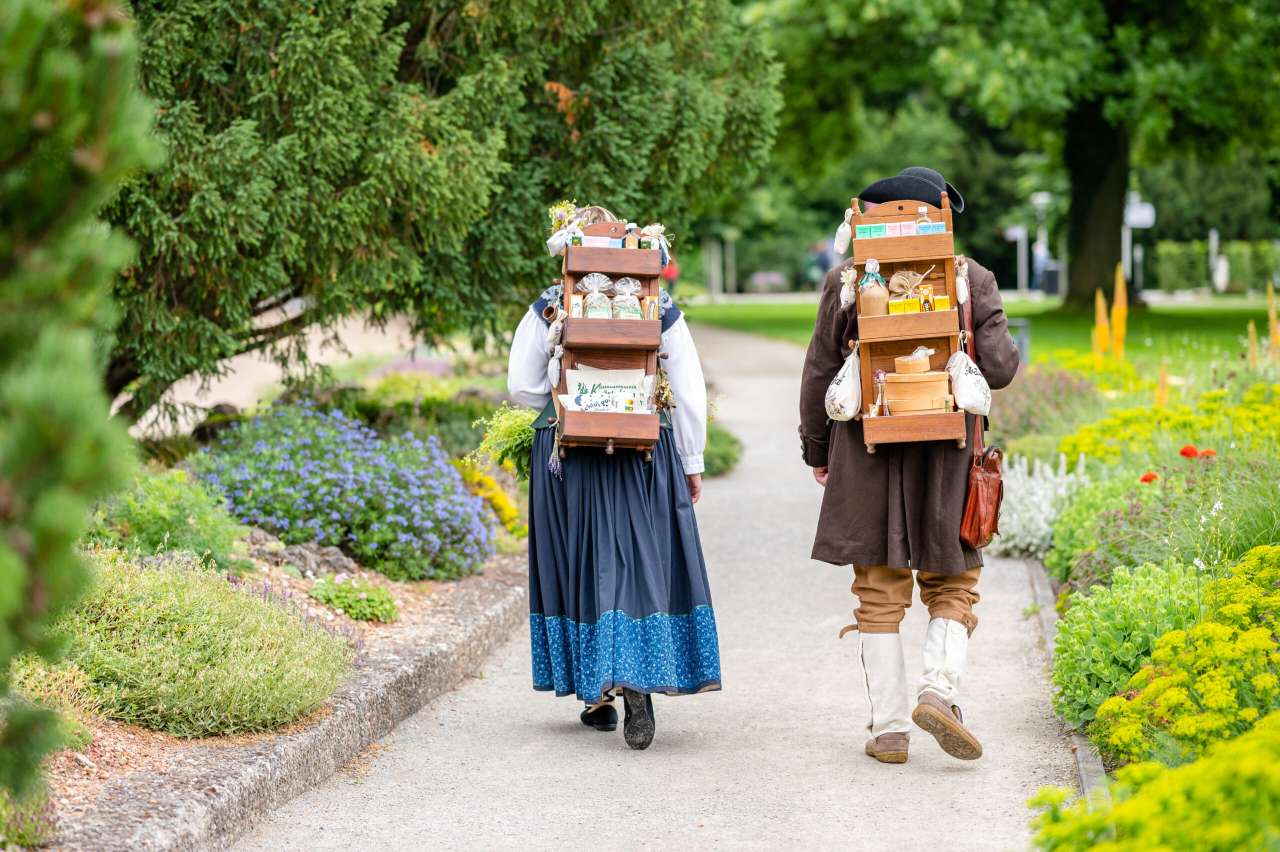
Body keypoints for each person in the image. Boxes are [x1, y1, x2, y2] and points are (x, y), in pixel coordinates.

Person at [798, 167, 1020, 764]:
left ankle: (890, 729)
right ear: (939, 218)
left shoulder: (847, 279)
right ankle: (940, 692)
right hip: (948, 453)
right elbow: (998, 370)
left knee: (877, 588)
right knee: (953, 581)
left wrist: (817, 451)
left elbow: (820, 369)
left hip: (867, 453)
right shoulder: (971, 279)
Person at [507, 235, 720, 751]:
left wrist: (566, 404)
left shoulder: (551, 304)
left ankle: (597, 693)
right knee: (636, 561)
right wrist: (691, 460)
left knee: (581, 561)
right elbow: (688, 388)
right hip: (643, 448)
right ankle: (636, 682)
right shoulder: (659, 306)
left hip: (567, 451)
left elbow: (520, 384)